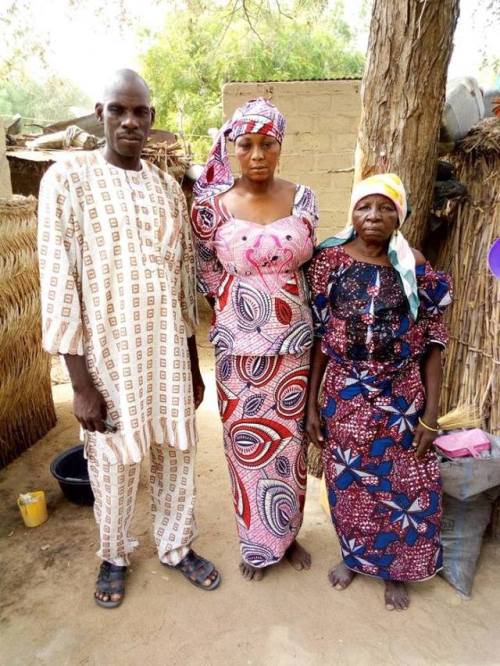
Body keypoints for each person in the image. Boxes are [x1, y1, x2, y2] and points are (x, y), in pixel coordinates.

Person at [38, 69, 220, 608]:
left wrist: (190, 366)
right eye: (118, 110)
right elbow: (58, 284)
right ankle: (114, 555)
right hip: (108, 359)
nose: (130, 121)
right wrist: (80, 384)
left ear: (153, 120)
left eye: (140, 112)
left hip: (167, 353)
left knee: (177, 452)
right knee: (114, 460)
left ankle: (175, 544)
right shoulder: (67, 181)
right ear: (100, 114)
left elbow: (184, 283)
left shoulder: (167, 189)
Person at [306, 173, 452, 610]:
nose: (374, 216)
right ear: (352, 212)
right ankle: (354, 558)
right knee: (348, 484)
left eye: (386, 207)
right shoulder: (329, 261)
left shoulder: (416, 266)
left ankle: (395, 569)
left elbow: (433, 343)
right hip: (344, 396)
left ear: (399, 216)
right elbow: (319, 338)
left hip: (400, 397)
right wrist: (313, 404)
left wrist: (431, 412)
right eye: (365, 206)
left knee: (405, 484)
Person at [191, 98, 317, 581]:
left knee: (289, 448)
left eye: (268, 143)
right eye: (246, 144)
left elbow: (308, 267)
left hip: (295, 348)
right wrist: (240, 319)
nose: (258, 154)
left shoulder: (303, 198)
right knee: (246, 451)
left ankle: (288, 534)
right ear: (233, 147)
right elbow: (207, 275)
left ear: (280, 146)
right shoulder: (211, 207)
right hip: (239, 353)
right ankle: (257, 545)